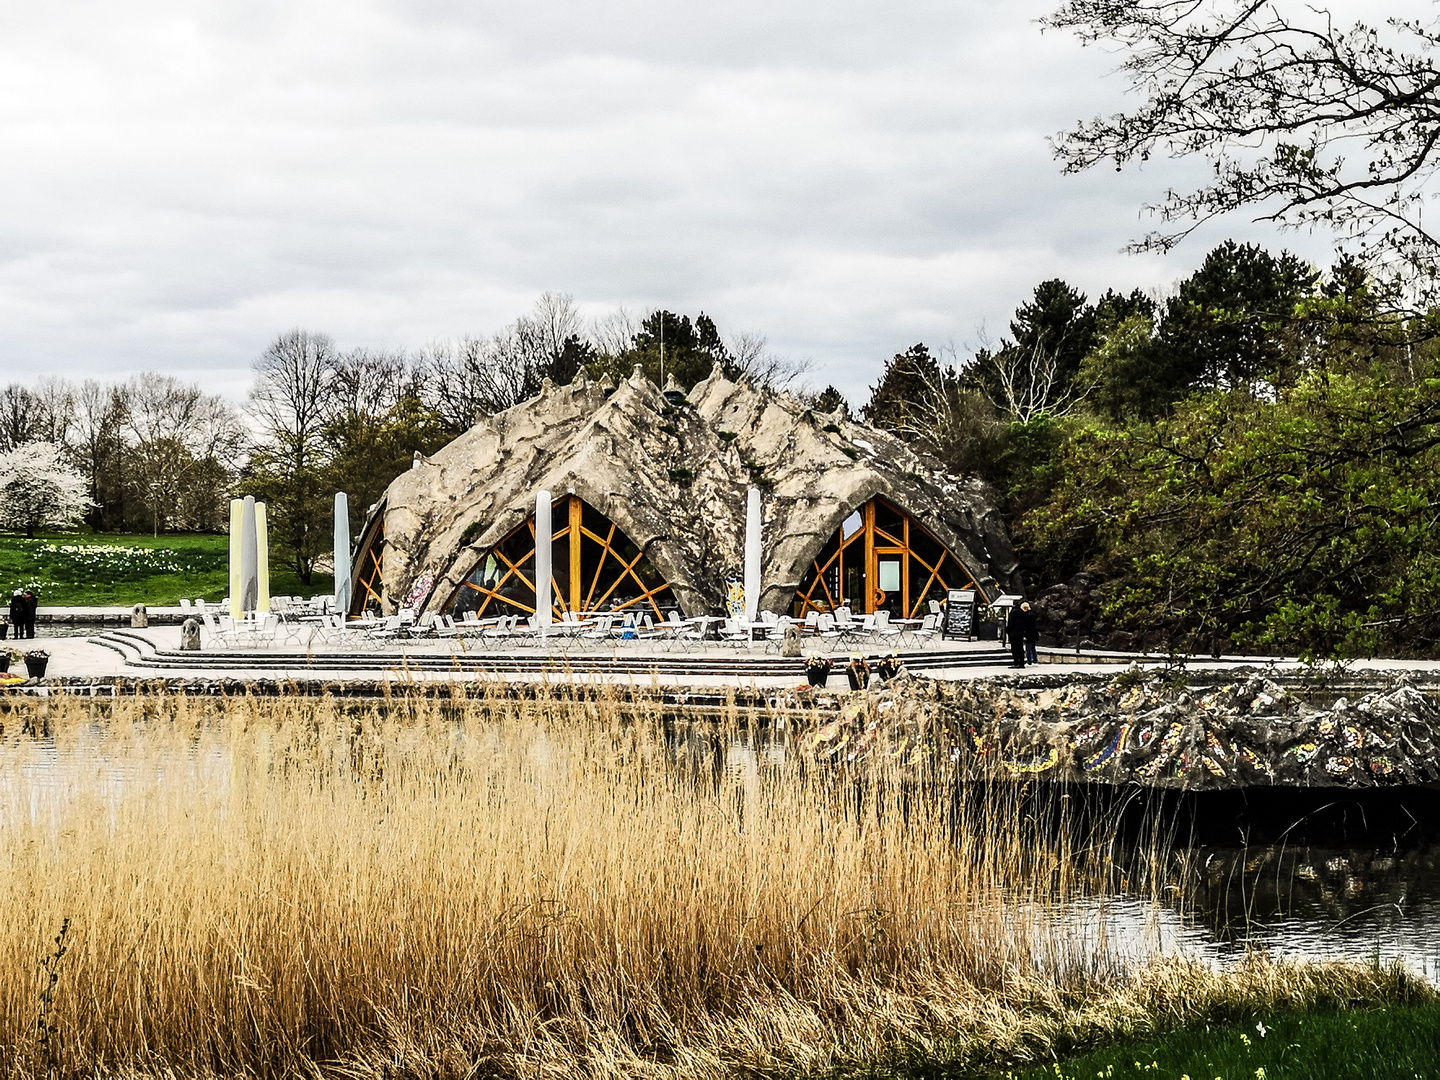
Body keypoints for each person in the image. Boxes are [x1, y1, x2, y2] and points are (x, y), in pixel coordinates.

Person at [1006, 602, 1026, 668]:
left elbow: (1011, 623)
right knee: (1020, 648)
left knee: (1014, 648)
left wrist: (1007, 630)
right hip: (1020, 633)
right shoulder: (1022, 612)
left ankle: (1016, 662)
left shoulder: (1013, 612)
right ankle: (1022, 663)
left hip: (1013, 633)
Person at [1021, 601, 1039, 665]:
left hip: (1029, 634)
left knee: (1028, 648)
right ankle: (1035, 660)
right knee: (1033, 648)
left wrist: (1024, 634)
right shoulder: (1032, 614)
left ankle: (1029, 661)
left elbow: (1027, 626)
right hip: (1034, 634)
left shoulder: (1027, 616)